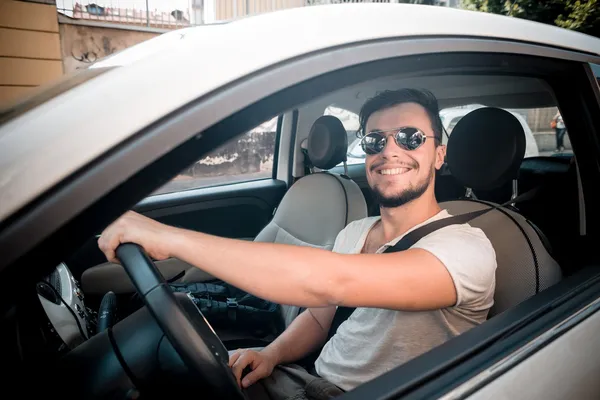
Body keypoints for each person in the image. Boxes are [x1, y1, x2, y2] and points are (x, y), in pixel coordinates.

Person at [98, 88, 497, 400]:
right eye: (376, 140)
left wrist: (168, 238)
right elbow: (321, 316)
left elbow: (329, 281)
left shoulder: (465, 248)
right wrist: (271, 353)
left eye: (410, 138)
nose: (390, 150)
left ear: (439, 155)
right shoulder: (355, 231)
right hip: (307, 379)